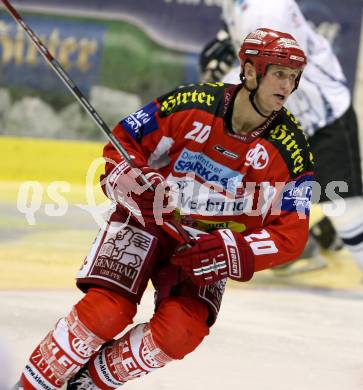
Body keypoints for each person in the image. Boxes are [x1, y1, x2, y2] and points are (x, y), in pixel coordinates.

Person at [14, 28, 313, 390]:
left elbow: (292, 234)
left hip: (203, 248)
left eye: (294, 76)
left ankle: (87, 384)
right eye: (279, 73)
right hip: (146, 221)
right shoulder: (190, 104)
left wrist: (231, 251)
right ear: (250, 71)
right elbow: (121, 147)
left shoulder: (293, 152)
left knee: (181, 331)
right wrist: (135, 186)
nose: (287, 84)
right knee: (105, 311)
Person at [200, 0, 363, 273]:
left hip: (320, 114)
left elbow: (274, 75)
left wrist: (217, 91)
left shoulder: (268, 9)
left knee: (343, 207)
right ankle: (295, 253)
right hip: (284, 114)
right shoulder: (238, 5)